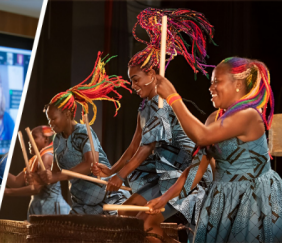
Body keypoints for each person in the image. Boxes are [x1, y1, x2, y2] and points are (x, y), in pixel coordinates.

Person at [91, 9, 215, 242]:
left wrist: (121, 176)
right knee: (124, 217)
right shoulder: (145, 108)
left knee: (146, 223)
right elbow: (133, 147)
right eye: (130, 81)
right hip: (164, 177)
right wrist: (112, 172)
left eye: (135, 79)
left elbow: (147, 149)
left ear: (151, 74)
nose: (133, 85)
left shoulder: (163, 105)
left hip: (185, 176)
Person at [147, 57, 281, 242]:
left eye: (217, 81)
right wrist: (164, 200)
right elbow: (196, 170)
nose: (211, 88)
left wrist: (172, 97)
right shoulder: (213, 120)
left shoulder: (249, 116)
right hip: (222, 200)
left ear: (238, 84)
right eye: (211, 83)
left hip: (251, 200)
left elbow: (201, 136)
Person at [36, 52, 130, 215]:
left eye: (53, 119)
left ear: (67, 114)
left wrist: (59, 177)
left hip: (107, 198)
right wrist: (42, 177)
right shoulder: (57, 140)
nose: (50, 123)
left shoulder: (83, 132)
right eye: (48, 120)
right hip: (83, 204)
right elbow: (56, 173)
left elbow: (89, 164)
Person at [0, 125, 70, 217]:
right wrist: (1, 170)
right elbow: (17, 182)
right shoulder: (36, 159)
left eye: (34, 137)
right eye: (29, 138)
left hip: (52, 209)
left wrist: (8, 192)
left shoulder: (47, 156)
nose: (29, 142)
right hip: (39, 207)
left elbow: (36, 188)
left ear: (45, 139)